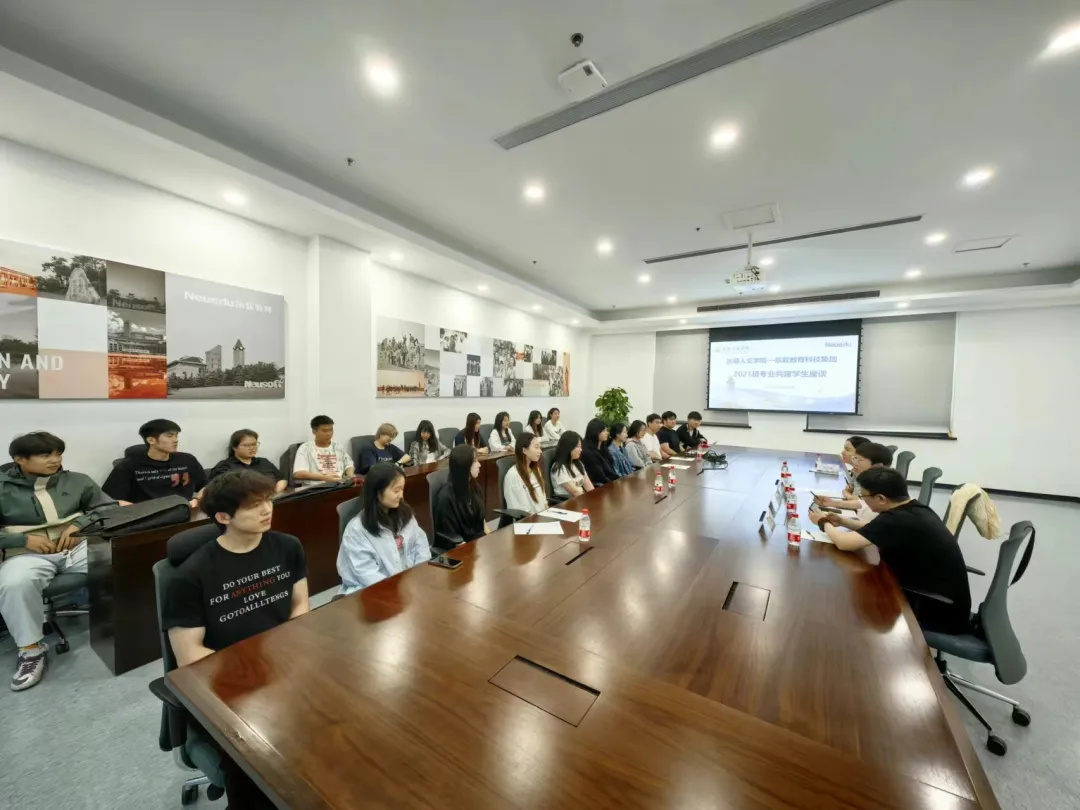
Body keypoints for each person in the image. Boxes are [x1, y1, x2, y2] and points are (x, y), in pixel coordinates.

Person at [162, 470, 308, 809]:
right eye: (254, 505)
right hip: (228, 687)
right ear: (223, 517)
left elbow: (300, 605)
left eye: (268, 500)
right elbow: (189, 656)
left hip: (285, 670)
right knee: (262, 767)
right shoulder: (189, 577)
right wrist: (255, 671)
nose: (267, 510)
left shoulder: (288, 546)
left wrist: (290, 655)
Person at [0, 432, 116, 691]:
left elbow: (109, 508)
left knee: (120, 559)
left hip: (78, 546)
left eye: (58, 453)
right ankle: (31, 651)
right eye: (45, 455)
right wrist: (22, 540)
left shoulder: (77, 480)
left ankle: (122, 626)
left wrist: (80, 524)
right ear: (19, 459)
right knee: (15, 583)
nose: (55, 460)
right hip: (26, 554)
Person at [812, 467, 972, 634]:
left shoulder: (896, 519)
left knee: (845, 609)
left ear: (881, 499)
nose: (863, 501)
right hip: (944, 601)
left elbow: (844, 543)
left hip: (936, 612)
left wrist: (823, 523)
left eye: (864, 496)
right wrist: (843, 522)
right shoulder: (913, 509)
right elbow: (876, 529)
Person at [337, 463, 431, 593]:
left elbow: (420, 546)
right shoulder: (357, 530)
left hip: (408, 583)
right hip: (372, 590)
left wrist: (418, 576)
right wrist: (397, 588)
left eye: (402, 489)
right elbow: (366, 573)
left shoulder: (405, 514)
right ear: (377, 492)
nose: (401, 495)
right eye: (396, 491)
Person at [103, 419, 207, 509]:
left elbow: (207, 486)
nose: (175, 440)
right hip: (148, 516)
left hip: (185, 512)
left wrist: (197, 499)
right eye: (169, 436)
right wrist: (136, 511)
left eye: (176, 435)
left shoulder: (187, 460)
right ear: (151, 440)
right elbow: (109, 501)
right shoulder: (128, 467)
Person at [814, 442, 893, 525]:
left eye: (860, 460)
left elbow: (869, 527)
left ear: (877, 466)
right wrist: (831, 503)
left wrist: (825, 524)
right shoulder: (871, 482)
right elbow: (862, 503)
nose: (855, 463)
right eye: (855, 459)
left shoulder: (882, 489)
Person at [433, 445, 487, 544]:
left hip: (478, 542)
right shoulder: (445, 498)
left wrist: (490, 539)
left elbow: (482, 521)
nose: (479, 465)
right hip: (460, 547)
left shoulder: (475, 488)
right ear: (464, 465)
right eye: (475, 461)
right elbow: (451, 537)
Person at [209, 429, 287, 492]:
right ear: (234, 447)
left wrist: (275, 492)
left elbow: (282, 479)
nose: (252, 448)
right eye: (246, 445)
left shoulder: (264, 462)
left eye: (254, 444)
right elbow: (220, 490)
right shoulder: (224, 467)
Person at [293, 415, 355, 482]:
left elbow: (349, 465)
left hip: (339, 484)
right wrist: (323, 478)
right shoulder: (305, 448)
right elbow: (298, 473)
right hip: (317, 486)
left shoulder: (338, 446)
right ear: (314, 432)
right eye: (325, 431)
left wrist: (350, 476)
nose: (329, 434)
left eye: (331, 430)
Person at [503, 433, 547, 514]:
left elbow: (544, 501)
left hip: (542, 516)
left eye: (540, 447)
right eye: (536, 447)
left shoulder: (536, 470)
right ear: (524, 450)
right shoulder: (513, 475)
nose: (540, 451)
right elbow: (517, 509)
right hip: (528, 519)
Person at [550, 431, 594, 498]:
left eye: (581, 446)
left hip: (581, 498)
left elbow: (589, 486)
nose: (581, 450)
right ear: (568, 447)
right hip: (568, 501)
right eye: (578, 446)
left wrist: (595, 497)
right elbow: (575, 492)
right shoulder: (559, 468)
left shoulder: (578, 463)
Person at [581, 419, 619, 485]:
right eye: (604, 431)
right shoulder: (588, 452)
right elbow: (599, 476)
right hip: (601, 486)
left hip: (612, 482)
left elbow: (611, 470)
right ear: (595, 432)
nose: (607, 433)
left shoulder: (603, 448)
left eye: (607, 430)